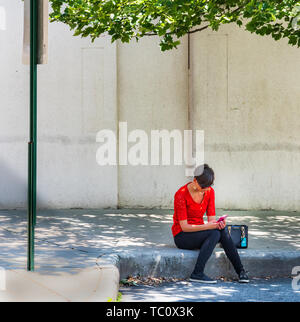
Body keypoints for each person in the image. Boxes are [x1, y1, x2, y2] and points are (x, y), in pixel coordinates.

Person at [172, 164, 249, 284]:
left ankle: (241, 271)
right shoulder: (181, 194)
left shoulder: (209, 192)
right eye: (203, 187)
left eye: (209, 186)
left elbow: (211, 220)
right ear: (195, 180)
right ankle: (197, 273)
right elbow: (184, 227)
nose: (206, 189)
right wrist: (209, 226)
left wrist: (218, 224)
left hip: (199, 232)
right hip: (182, 236)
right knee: (214, 234)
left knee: (221, 230)